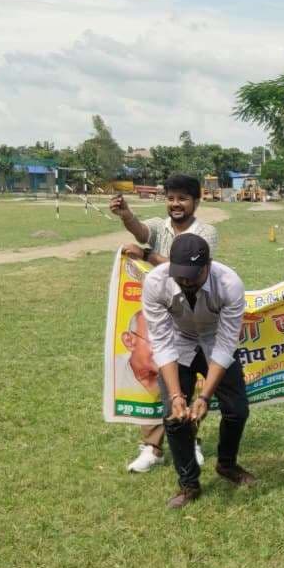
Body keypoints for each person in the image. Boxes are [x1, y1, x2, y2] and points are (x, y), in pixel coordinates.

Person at [111, 174, 220, 473]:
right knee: (156, 381)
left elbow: (190, 268)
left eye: (182, 198)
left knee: (187, 385)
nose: (176, 204)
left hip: (191, 319)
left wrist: (147, 255)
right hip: (159, 316)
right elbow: (141, 231)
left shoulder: (206, 233)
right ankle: (152, 447)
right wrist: (126, 214)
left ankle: (191, 440)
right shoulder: (161, 227)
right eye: (171, 198)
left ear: (196, 202)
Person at [142, 234, 256, 509]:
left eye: (193, 276)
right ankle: (189, 484)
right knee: (174, 417)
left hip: (215, 340)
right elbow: (162, 343)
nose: (186, 282)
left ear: (209, 265)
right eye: (180, 275)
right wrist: (177, 395)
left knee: (237, 409)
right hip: (178, 342)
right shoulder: (156, 282)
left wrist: (204, 397)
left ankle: (227, 465)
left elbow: (226, 345)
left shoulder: (229, 284)